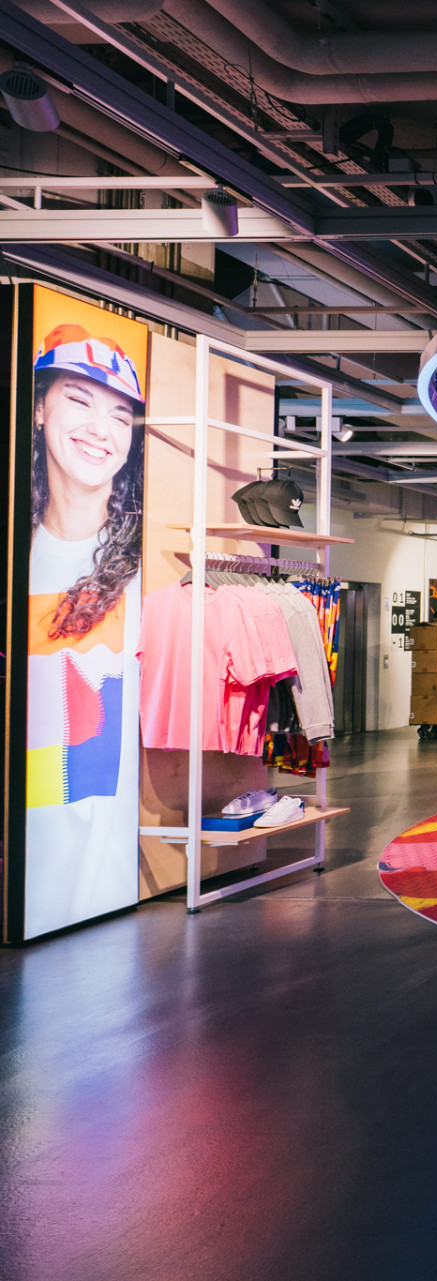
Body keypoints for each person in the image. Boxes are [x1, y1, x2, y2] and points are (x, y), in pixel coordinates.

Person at [25, 322, 146, 937]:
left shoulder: (149, 565)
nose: (102, 429)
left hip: (108, 886)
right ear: (39, 409)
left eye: (121, 416)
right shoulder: (18, 553)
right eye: (79, 400)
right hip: (26, 867)